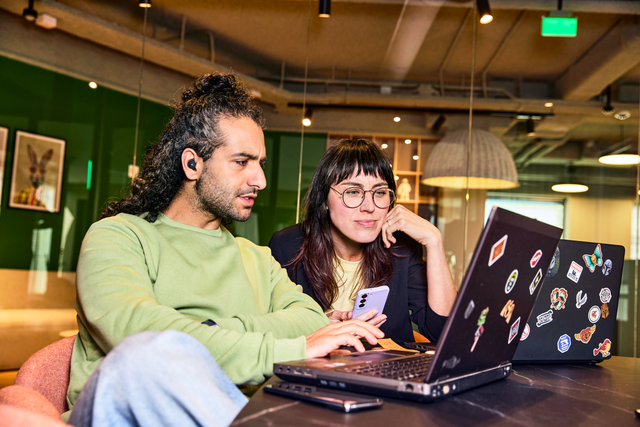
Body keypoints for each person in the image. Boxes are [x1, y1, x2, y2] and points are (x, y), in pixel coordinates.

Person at [66, 74, 384, 426]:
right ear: (192, 164)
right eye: (241, 162)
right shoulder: (117, 237)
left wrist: (208, 328)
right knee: (151, 354)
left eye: (260, 164)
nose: (259, 180)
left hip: (234, 413)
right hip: (127, 412)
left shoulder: (257, 257)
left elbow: (310, 318)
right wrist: (289, 346)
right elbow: (145, 336)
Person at [269, 139, 458, 345]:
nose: (369, 206)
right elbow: (268, 331)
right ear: (324, 200)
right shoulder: (287, 245)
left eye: (379, 192)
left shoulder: (400, 248)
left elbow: (443, 333)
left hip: (386, 373)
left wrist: (434, 240)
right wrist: (317, 326)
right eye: (352, 192)